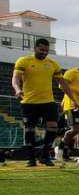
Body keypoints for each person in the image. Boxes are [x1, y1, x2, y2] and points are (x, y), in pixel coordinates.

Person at [11, 37, 70, 167]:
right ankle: (31, 159)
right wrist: (17, 89)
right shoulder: (24, 61)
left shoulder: (52, 64)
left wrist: (71, 97)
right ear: (35, 48)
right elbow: (15, 78)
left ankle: (44, 155)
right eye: (41, 50)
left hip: (48, 102)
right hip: (29, 102)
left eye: (46, 50)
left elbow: (62, 82)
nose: (44, 52)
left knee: (53, 127)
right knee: (30, 130)